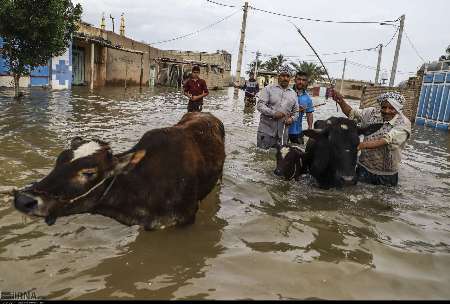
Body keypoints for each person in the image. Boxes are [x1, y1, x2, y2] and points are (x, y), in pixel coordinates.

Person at [330, 89, 411, 186]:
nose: (386, 111)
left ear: (398, 109)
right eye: (384, 107)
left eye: (391, 108)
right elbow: (351, 113)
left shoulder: (403, 123)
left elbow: (385, 141)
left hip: (386, 173)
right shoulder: (372, 113)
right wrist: (341, 101)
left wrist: (357, 146)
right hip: (364, 168)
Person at [256, 67, 299, 149]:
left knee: (279, 159)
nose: (285, 78)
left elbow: (296, 112)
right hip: (266, 132)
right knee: (261, 156)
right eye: (283, 75)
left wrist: (291, 119)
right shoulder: (268, 89)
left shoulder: (293, 94)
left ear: (290, 78)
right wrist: (273, 113)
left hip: (283, 134)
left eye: (287, 76)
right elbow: (260, 105)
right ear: (278, 76)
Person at [288, 71, 314, 145]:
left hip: (297, 131)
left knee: (301, 151)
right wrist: (294, 108)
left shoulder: (307, 98)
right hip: (283, 130)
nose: (301, 82)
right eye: (299, 79)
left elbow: (309, 114)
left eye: (303, 80)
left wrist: (310, 128)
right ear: (295, 80)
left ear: (306, 82)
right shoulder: (287, 92)